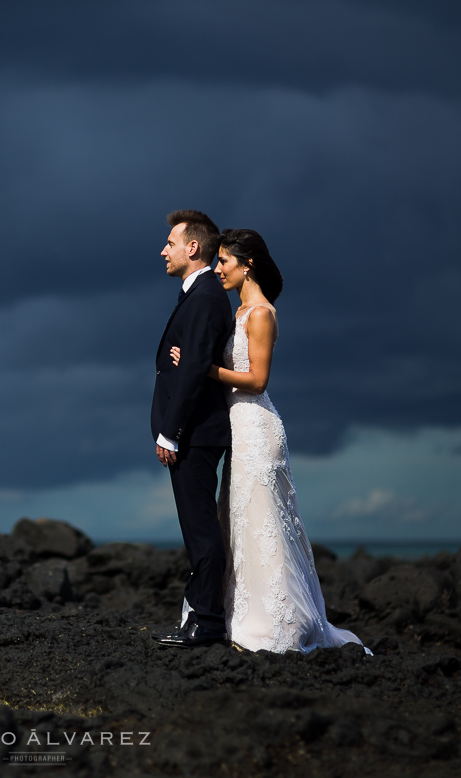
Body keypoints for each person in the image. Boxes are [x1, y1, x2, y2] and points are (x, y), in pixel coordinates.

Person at [170, 228, 368, 654]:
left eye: (223, 261)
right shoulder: (236, 311)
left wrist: (203, 370)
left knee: (263, 520)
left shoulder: (260, 313)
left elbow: (258, 381)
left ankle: (278, 620)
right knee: (239, 520)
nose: (217, 267)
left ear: (248, 264)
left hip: (258, 428)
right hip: (236, 427)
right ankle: (238, 610)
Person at [149, 210, 233, 648]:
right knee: (197, 527)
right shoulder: (197, 295)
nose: (163, 250)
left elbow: (196, 366)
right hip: (194, 431)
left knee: (201, 528)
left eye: (170, 242)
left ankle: (208, 622)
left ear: (192, 247)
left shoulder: (203, 297)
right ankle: (198, 617)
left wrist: (171, 431)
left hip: (195, 433)